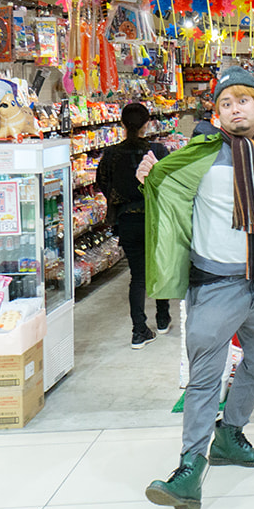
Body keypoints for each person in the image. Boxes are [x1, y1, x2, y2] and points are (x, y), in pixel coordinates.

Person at [137, 66, 254, 509]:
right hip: (215, 284)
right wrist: (150, 175)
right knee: (205, 376)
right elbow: (165, 184)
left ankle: (231, 433)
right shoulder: (199, 155)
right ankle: (188, 469)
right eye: (225, 103)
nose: (234, 109)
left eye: (243, 100)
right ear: (217, 113)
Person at [95, 102, 171, 349]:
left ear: (122, 124)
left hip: (127, 220)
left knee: (137, 276)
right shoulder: (157, 151)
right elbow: (170, 182)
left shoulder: (111, 154)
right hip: (155, 219)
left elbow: (102, 184)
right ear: (147, 123)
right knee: (159, 268)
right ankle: (162, 318)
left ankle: (139, 330)